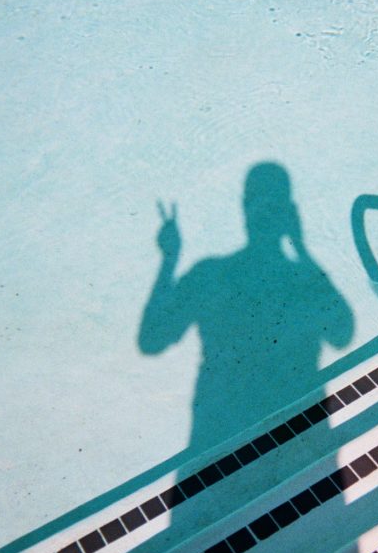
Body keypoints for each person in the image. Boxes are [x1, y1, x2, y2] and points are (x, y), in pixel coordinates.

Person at [139, 162, 354, 452]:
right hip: (298, 437)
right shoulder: (303, 281)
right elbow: (341, 333)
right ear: (289, 214)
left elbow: (152, 339)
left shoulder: (210, 275)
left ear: (243, 208)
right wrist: (302, 248)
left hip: (221, 437)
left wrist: (169, 260)